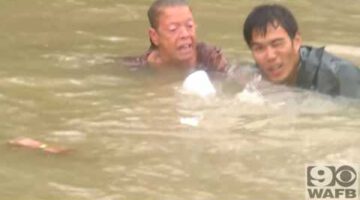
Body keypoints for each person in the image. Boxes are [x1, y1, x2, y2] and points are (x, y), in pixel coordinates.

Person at [242, 4, 360, 98]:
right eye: (259, 48)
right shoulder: (257, 74)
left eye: (277, 44)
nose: (270, 56)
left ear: (297, 41)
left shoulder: (341, 77)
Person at [122, 0, 228, 73]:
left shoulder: (211, 60)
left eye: (189, 26)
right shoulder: (138, 68)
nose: (185, 35)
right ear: (154, 37)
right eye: (173, 29)